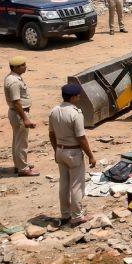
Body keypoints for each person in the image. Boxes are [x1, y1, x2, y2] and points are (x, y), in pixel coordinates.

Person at [48, 83, 95, 225]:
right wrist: (90, 156)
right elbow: (81, 138)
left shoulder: (54, 111)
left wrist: (56, 150)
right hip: (73, 152)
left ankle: (65, 214)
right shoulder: (75, 113)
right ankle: (77, 216)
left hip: (60, 150)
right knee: (76, 185)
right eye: (78, 95)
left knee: (64, 184)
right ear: (74, 97)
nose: (79, 97)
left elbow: (51, 134)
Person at [3, 56, 37, 177]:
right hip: (19, 113)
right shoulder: (14, 82)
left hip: (16, 113)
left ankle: (20, 165)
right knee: (22, 142)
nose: (25, 66)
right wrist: (25, 118)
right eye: (23, 65)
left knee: (17, 141)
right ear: (15, 67)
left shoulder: (13, 77)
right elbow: (16, 102)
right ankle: (23, 169)